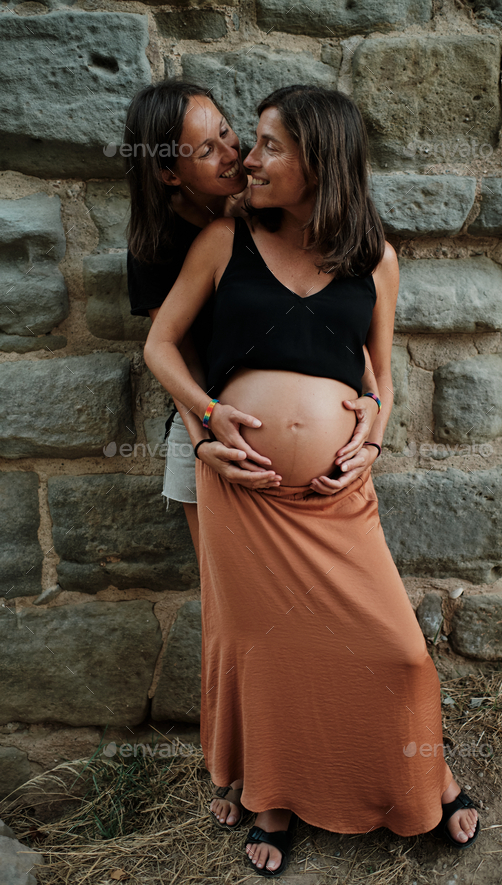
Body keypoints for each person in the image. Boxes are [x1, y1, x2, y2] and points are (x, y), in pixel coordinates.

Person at [143, 85, 480, 877]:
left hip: (335, 498)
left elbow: (385, 380)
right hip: (243, 494)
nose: (248, 161)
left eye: (267, 147)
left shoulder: (375, 259)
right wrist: (207, 423)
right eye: (248, 143)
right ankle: (273, 794)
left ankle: (428, 775)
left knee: (399, 651)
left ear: (319, 163)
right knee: (266, 647)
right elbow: (161, 343)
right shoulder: (225, 241)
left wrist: (373, 431)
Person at [125, 80, 381, 555]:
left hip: (304, 467)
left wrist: (373, 395)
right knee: (235, 608)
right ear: (170, 174)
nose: (234, 154)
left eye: (226, 132)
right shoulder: (160, 247)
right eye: (206, 149)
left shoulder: (269, 211)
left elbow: (327, 318)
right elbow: (175, 353)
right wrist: (205, 433)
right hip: (208, 419)